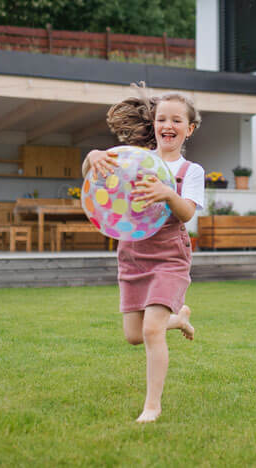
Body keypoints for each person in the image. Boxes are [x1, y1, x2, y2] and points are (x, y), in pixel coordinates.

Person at [82, 91, 204, 423]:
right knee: (134, 336)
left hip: (169, 257)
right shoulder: (133, 157)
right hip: (133, 256)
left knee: (151, 331)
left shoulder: (190, 171)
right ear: (153, 123)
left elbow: (187, 213)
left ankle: (152, 406)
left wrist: (168, 193)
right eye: (162, 119)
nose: (168, 125)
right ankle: (178, 319)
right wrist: (93, 155)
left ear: (189, 129)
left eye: (177, 120)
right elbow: (94, 172)